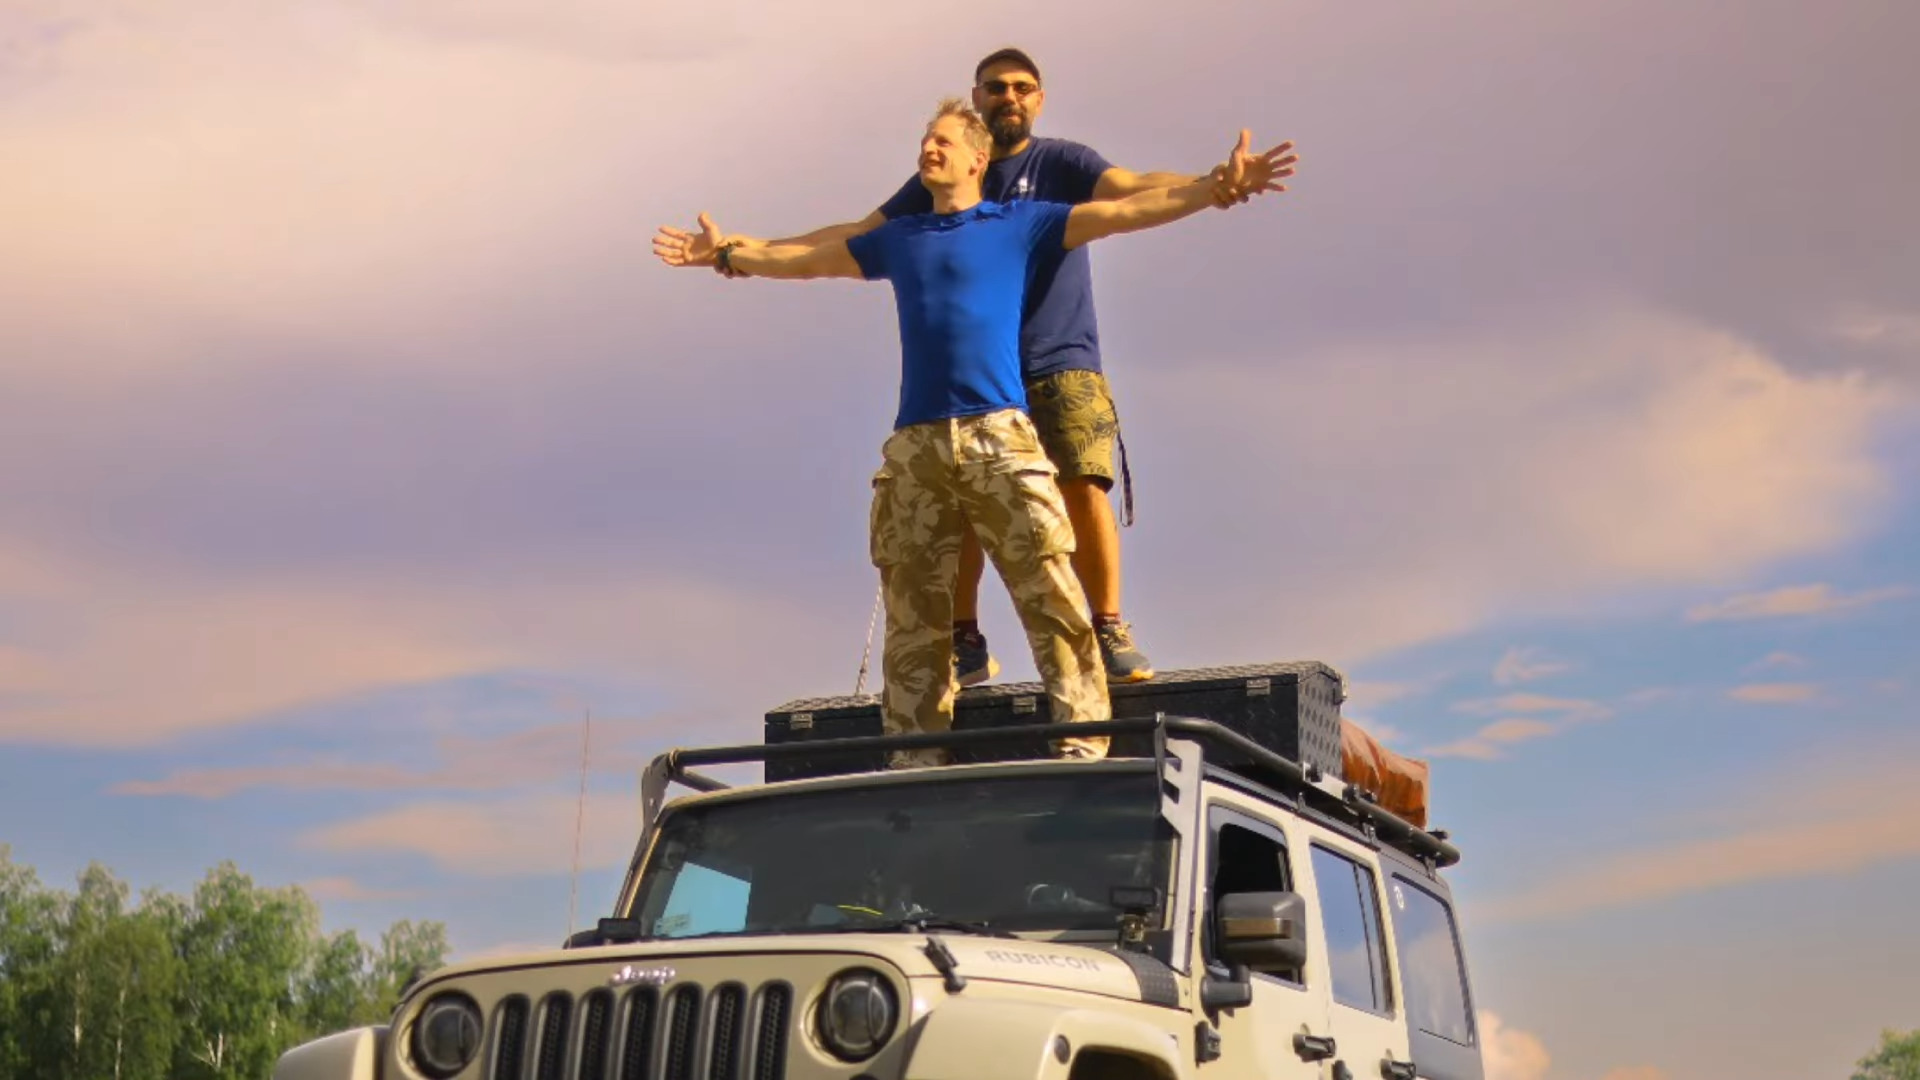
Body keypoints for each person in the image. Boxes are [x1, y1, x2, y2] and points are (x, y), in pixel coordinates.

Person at [653, 99, 1292, 767]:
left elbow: (1129, 210)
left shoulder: (1022, 223)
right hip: (917, 446)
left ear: (977, 159)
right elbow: (812, 257)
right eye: (924, 140)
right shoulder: (900, 237)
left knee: (1050, 594)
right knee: (913, 620)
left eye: (943, 141)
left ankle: (1080, 743)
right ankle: (915, 762)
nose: (928, 149)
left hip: (999, 435)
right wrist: (728, 253)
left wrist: (1214, 188)